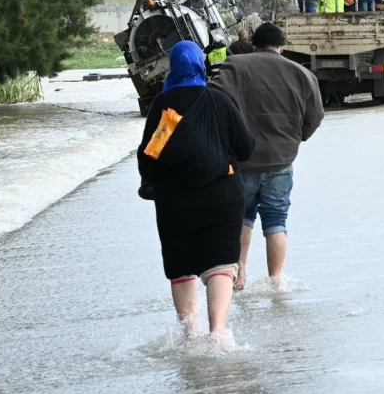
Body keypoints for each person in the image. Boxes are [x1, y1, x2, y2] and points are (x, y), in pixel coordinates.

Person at [137, 41, 256, 341]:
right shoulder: (218, 100)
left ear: (173, 67)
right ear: (201, 65)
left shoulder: (163, 106)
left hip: (174, 200)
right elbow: (246, 148)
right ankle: (217, 332)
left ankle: (190, 335)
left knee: (181, 267)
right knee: (221, 264)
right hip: (223, 195)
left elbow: (149, 157)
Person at [210, 22, 324, 291]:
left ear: (254, 46)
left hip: (243, 160)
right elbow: (316, 116)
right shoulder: (302, 73)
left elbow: (212, 99)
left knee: (243, 217)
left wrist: (226, 138)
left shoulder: (235, 65)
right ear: (281, 47)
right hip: (281, 161)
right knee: (276, 220)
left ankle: (239, 274)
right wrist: (297, 138)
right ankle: (276, 280)